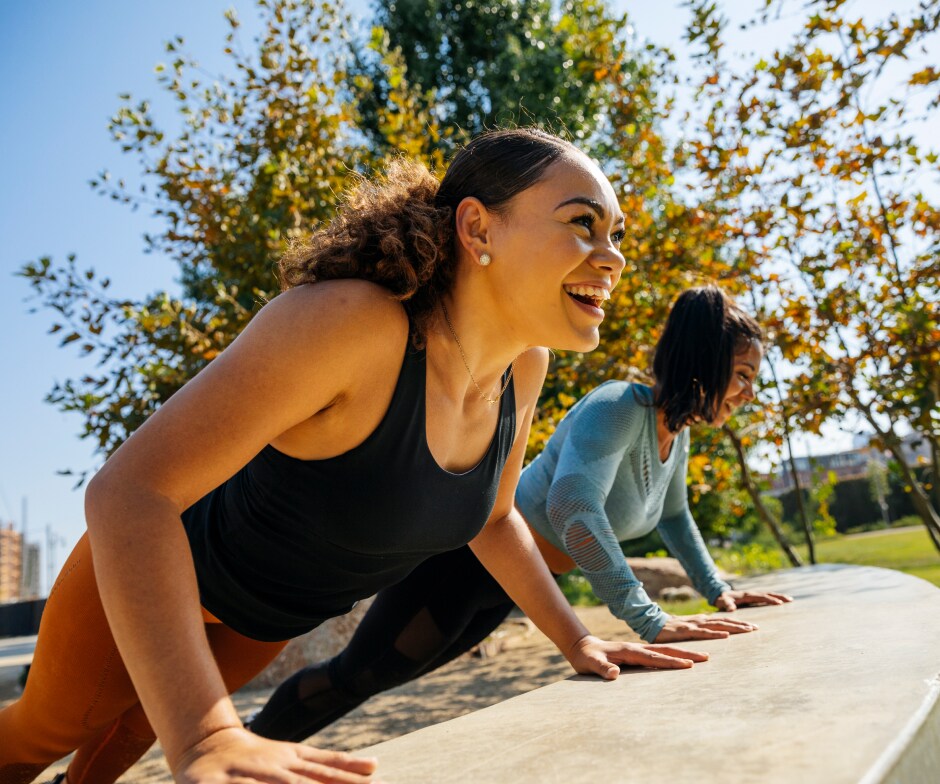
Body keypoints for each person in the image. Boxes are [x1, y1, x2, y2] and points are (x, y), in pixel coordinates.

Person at [0, 129, 709, 784]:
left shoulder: (524, 368)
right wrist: (206, 730)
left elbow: (494, 521)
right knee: (37, 738)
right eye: (582, 224)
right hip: (155, 568)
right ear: (477, 227)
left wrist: (580, 642)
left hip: (262, 617)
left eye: (616, 234)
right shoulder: (352, 323)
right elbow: (129, 493)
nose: (611, 256)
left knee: (123, 743)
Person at [249, 285, 792, 744]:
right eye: (742, 374)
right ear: (705, 360)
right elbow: (573, 507)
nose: (748, 392)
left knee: (377, 678)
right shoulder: (620, 407)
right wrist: (649, 619)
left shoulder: (675, 434)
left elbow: (675, 517)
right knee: (360, 674)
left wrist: (719, 588)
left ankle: (254, 751)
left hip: (516, 583)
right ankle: (245, 743)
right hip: (465, 563)